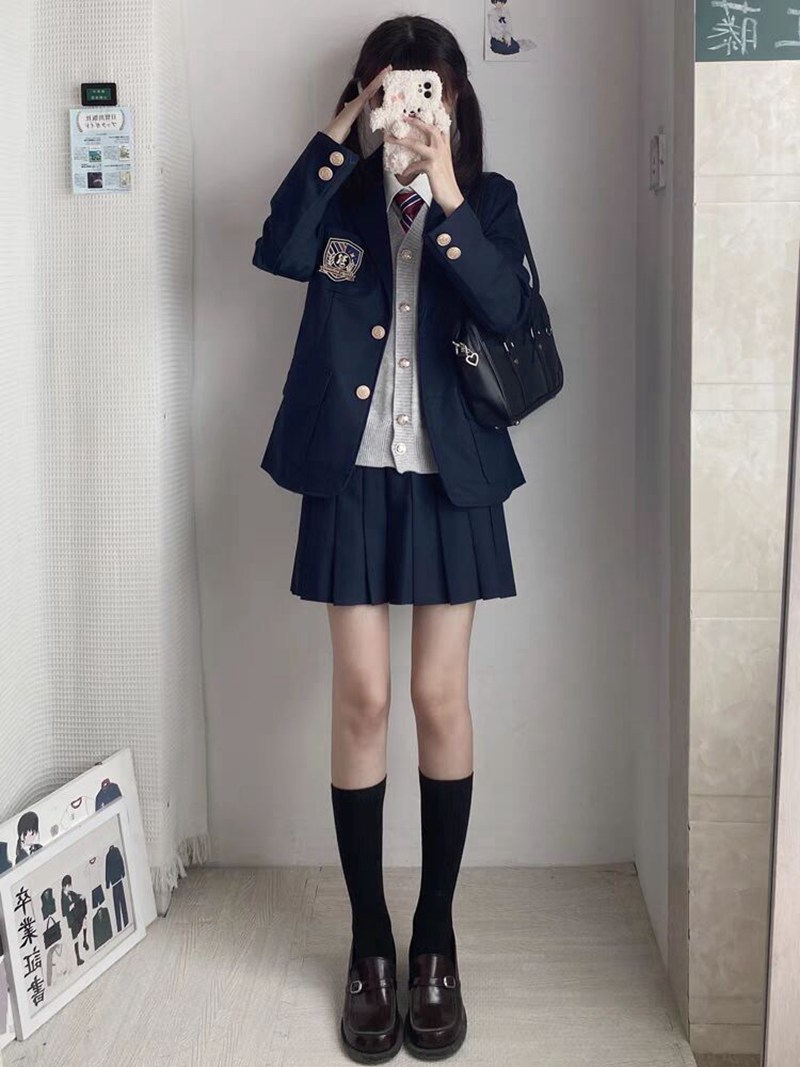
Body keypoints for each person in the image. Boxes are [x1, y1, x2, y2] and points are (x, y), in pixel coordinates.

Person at [252, 14, 533, 1062]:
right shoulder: (337, 193)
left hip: (450, 477)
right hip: (351, 472)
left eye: (427, 91)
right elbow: (277, 248)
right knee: (363, 698)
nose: (408, 107)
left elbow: (506, 308)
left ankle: (435, 938)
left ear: (454, 102)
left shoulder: (487, 200)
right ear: (366, 95)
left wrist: (446, 187)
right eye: (388, 90)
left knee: (437, 696)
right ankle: (369, 941)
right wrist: (341, 134)